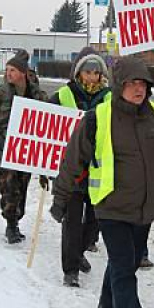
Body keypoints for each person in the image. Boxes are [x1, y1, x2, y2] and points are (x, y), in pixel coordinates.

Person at [51, 56, 154, 308]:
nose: (139, 89)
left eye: (143, 84)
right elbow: (73, 162)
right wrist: (60, 199)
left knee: (126, 262)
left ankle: (106, 306)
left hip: (145, 207)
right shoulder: (98, 118)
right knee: (125, 268)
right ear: (118, 85)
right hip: (111, 207)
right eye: (132, 83)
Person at [49, 47, 111, 287]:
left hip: (98, 169)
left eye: (96, 72)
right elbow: (46, 124)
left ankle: (81, 250)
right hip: (72, 168)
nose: (92, 77)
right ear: (79, 73)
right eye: (88, 72)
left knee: (95, 221)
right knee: (72, 221)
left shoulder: (109, 97)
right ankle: (70, 269)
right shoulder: (64, 95)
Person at [0, 50, 48, 244]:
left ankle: (17, 219)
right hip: (5, 151)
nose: (8, 73)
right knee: (9, 188)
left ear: (23, 73)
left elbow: (46, 121)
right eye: (7, 70)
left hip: (26, 152)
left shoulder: (37, 94)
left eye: (13, 70)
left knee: (22, 187)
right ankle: (10, 224)